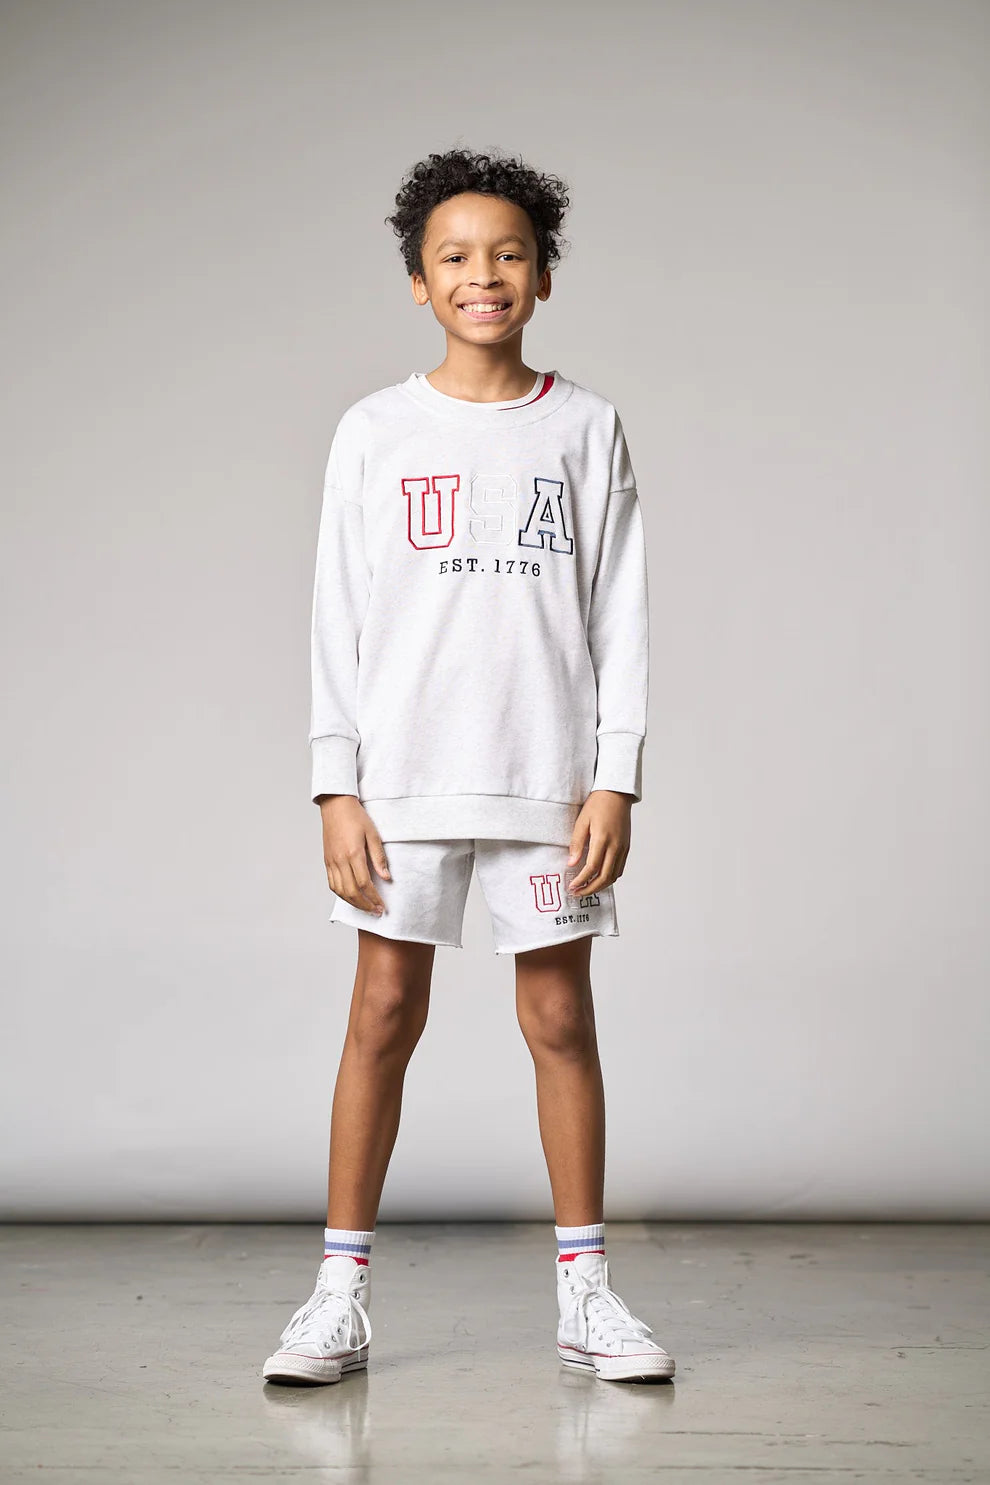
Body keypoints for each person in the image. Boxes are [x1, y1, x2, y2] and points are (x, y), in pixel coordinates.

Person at [262, 147, 675, 1387]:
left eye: (508, 254)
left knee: (560, 1018)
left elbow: (621, 611)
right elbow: (336, 613)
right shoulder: (375, 432)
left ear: (542, 276)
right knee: (381, 1014)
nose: (482, 275)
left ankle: (587, 1296)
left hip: (547, 780)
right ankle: (337, 1296)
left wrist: (615, 775)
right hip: (403, 782)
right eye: (454, 257)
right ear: (418, 281)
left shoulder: (586, 426)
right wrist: (336, 784)